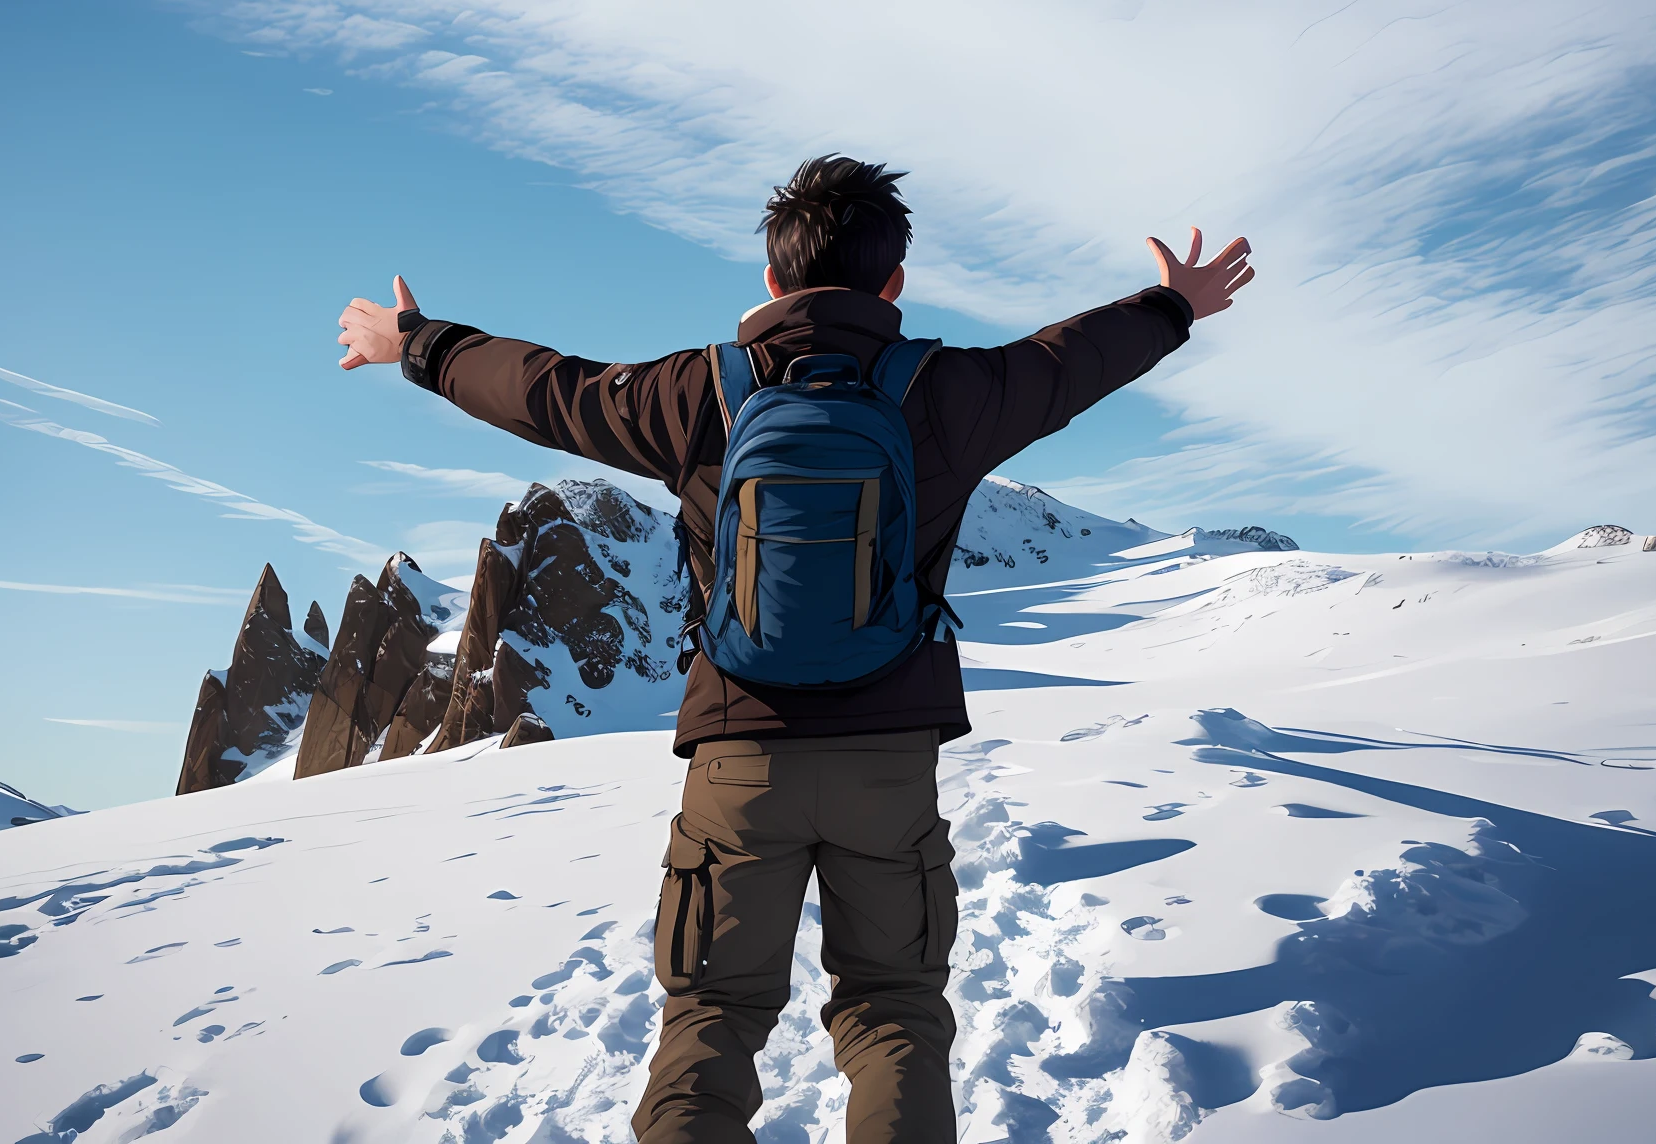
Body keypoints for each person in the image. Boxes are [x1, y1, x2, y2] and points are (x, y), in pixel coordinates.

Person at [336, 156, 1253, 1144]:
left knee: (711, 1020)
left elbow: (548, 390)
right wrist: (1170, 304)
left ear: (769, 280)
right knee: (891, 1014)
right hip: (887, 756)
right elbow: (1067, 358)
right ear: (892, 283)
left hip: (739, 758)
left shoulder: (699, 392)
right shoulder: (950, 389)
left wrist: (419, 343)